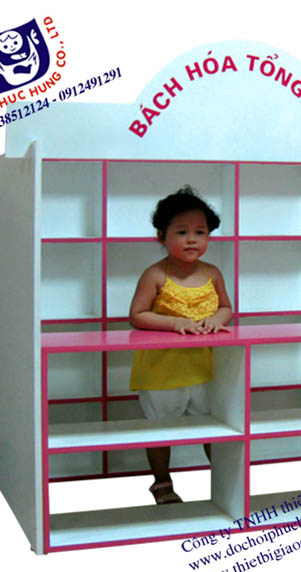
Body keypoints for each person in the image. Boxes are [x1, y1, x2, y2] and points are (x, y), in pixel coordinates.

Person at [128, 186, 233, 504]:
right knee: (160, 429)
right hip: (162, 368)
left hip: (204, 367)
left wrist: (217, 319)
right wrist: (175, 323)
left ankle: (225, 478)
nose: (192, 239)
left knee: (213, 424)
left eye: (200, 232)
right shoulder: (155, 275)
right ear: (161, 236)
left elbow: (227, 307)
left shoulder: (213, 273)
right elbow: (137, 315)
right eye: (182, 232)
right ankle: (162, 483)